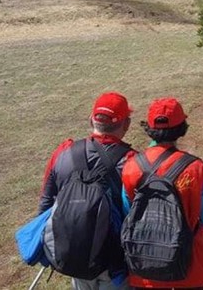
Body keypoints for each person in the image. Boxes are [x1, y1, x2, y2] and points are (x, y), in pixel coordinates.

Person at [121, 98, 203, 289]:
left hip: (146, 264)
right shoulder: (195, 167)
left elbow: (129, 216)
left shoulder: (131, 167)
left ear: (150, 127)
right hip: (190, 267)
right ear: (182, 128)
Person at [38, 92, 136, 290]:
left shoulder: (63, 153)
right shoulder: (132, 161)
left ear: (91, 119)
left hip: (74, 256)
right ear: (126, 124)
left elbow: (45, 205)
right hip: (114, 263)